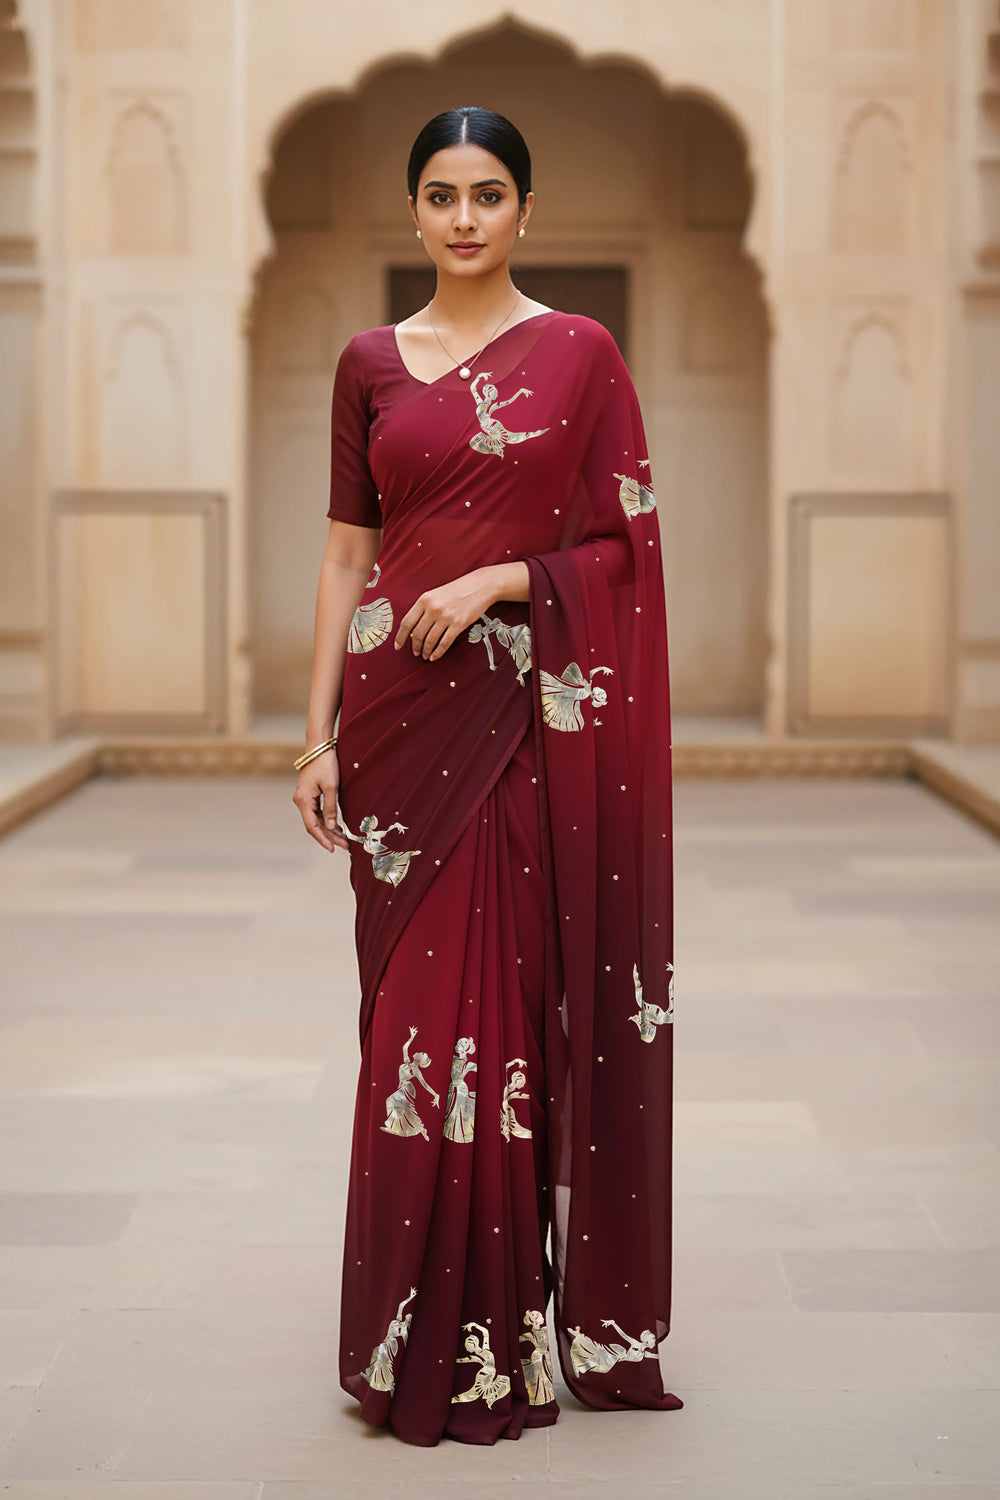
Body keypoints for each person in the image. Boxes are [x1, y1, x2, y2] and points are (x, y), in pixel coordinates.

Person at [292, 104, 682, 1447]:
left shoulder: (581, 355)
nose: (465, 217)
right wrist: (315, 735)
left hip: (519, 724)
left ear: (525, 210)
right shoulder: (367, 364)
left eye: (490, 194)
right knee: (408, 1029)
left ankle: (497, 1335)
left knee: (501, 1024)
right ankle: (404, 1328)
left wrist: (503, 579)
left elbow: (626, 550)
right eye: (442, 195)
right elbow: (346, 556)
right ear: (414, 210)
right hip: (397, 732)